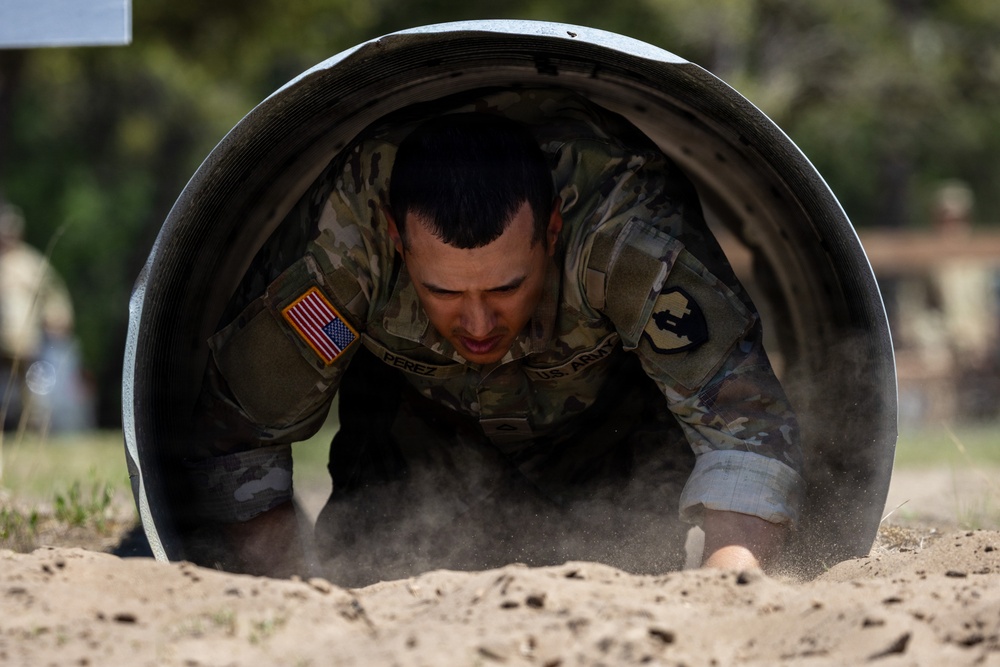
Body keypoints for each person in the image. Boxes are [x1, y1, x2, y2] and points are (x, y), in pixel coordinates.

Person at [186, 87, 804, 583]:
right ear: (399, 244)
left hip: (605, 443)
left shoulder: (626, 243)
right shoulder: (345, 252)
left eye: (505, 288)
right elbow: (240, 430)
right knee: (362, 564)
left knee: (639, 551)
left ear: (553, 231)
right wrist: (292, 598)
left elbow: (743, 425)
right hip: (413, 445)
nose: (478, 325)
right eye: (445, 293)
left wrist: (728, 586)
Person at [0, 201, 75, 431]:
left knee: (31, 389)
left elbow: (52, 293)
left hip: (23, 339)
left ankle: (34, 429)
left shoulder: (30, 263)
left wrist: (59, 316)